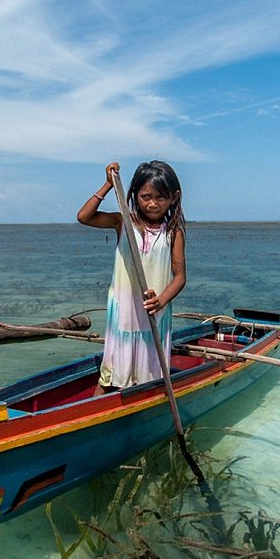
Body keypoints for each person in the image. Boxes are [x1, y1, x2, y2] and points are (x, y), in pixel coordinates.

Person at [77, 160, 187, 393]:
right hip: (124, 310)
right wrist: (108, 185)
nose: (153, 204)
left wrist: (161, 300)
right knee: (112, 372)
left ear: (174, 197)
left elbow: (179, 278)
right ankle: (97, 411)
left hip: (153, 313)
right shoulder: (123, 222)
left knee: (150, 374)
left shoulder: (173, 232)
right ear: (135, 195)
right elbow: (84, 217)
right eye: (146, 196)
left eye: (160, 197)